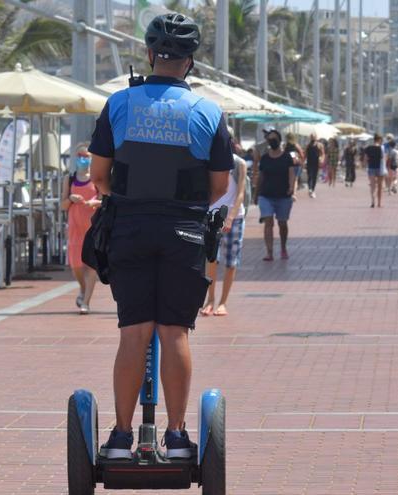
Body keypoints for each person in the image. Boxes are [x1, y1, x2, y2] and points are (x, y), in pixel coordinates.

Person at [87, 12, 233, 460]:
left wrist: (129, 198)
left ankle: (119, 438)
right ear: (190, 63)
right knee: (175, 332)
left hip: (129, 228)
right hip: (184, 231)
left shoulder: (118, 104)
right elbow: (219, 187)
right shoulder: (208, 111)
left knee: (133, 333)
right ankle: (175, 436)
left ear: (150, 55)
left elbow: (99, 177)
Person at [202, 131, 248, 317]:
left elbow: (241, 193)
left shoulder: (238, 163)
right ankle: (210, 299)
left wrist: (230, 217)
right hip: (212, 217)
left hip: (234, 218)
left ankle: (223, 302)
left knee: (231, 261)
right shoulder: (207, 161)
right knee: (211, 258)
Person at [61, 144, 102, 315]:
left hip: (91, 226)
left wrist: (95, 202)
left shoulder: (97, 178)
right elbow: (63, 205)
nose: (82, 159)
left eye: (86, 156)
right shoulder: (69, 178)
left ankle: (86, 302)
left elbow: (105, 200)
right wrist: (70, 198)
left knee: (91, 266)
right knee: (76, 265)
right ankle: (83, 288)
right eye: (80, 155)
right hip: (75, 227)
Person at [256, 127, 296, 261]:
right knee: (268, 222)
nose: (272, 141)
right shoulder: (265, 158)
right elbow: (260, 176)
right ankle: (269, 252)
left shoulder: (286, 157)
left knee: (282, 223)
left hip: (283, 196)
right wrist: (256, 193)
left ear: (279, 140)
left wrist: (291, 188)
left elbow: (291, 174)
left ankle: (283, 248)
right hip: (266, 195)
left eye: (274, 138)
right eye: (270, 139)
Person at [362, 134, 386, 208]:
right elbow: (383, 158)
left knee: (372, 186)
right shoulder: (381, 148)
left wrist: (364, 165)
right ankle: (379, 203)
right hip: (380, 168)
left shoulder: (369, 148)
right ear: (379, 139)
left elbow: (365, 158)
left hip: (371, 167)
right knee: (380, 186)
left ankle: (373, 201)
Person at [304, 133, 324, 198]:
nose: (313, 138)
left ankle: (313, 190)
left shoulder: (319, 145)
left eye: (314, 137)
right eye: (312, 137)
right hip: (309, 162)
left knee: (314, 176)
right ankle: (310, 189)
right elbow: (305, 154)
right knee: (309, 176)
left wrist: (321, 159)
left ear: (316, 137)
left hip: (316, 163)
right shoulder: (308, 145)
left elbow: (322, 153)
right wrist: (303, 161)